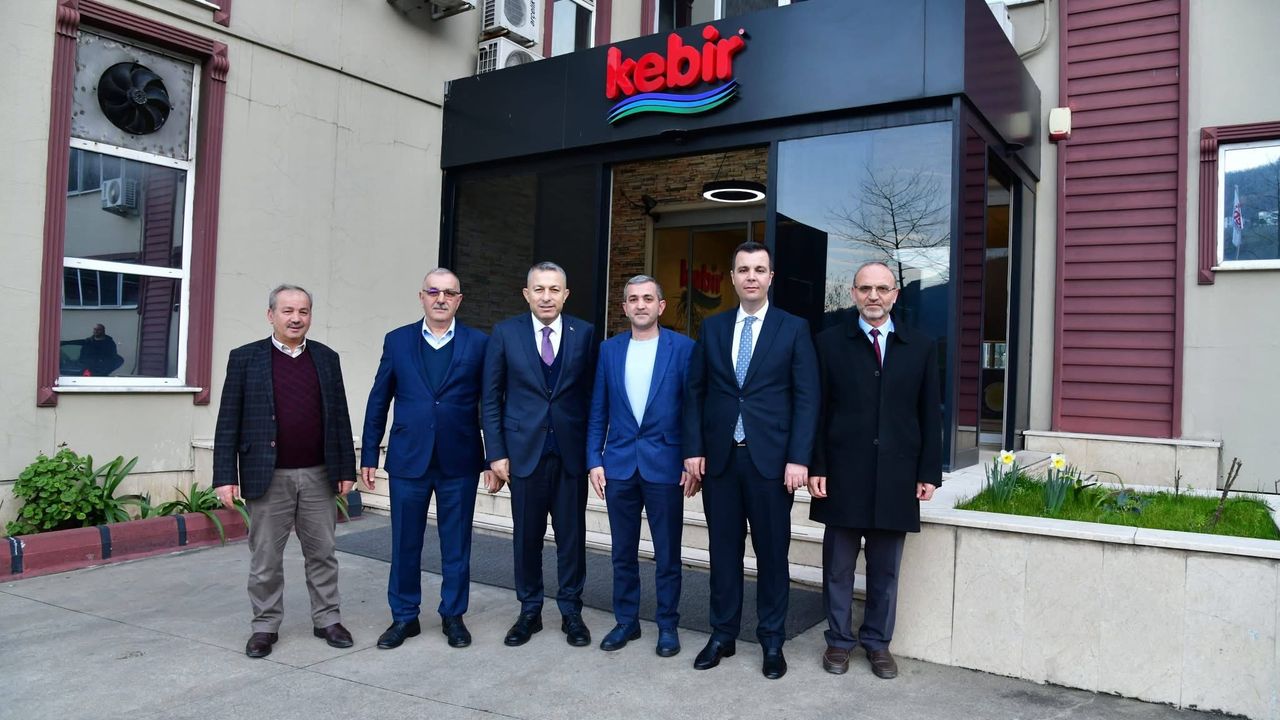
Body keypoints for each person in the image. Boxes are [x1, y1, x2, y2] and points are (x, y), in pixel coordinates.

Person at [682, 241, 819, 680]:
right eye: (744, 270)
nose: (751, 277)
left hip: (772, 464)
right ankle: (722, 634)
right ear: (733, 277)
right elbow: (696, 392)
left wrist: (799, 458)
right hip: (721, 461)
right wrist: (693, 449)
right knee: (723, 553)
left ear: (771, 277)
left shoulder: (793, 328)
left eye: (759, 269)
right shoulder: (714, 327)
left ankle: (772, 640)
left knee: (772, 555)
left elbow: (807, 398)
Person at [807, 261, 942, 679]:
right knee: (838, 569)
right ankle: (838, 642)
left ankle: (878, 644)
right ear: (853, 294)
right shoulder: (828, 344)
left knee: (885, 571)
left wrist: (929, 472)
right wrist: (816, 465)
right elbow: (817, 410)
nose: (873, 296)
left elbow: (929, 414)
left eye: (882, 289)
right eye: (865, 288)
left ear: (895, 295)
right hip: (842, 475)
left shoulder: (920, 346)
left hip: (897, 477)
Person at [213, 284, 357, 659]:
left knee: (323, 554)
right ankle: (265, 626)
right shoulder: (245, 359)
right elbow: (228, 421)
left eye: (303, 311)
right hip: (267, 476)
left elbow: (339, 418)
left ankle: (327, 619)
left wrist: (346, 468)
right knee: (265, 559)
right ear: (271, 315)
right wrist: (225, 476)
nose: (296, 318)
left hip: (319, 475)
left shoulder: (326, 358)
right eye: (288, 311)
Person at [360, 269, 491, 651]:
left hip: (460, 459)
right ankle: (404, 616)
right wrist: (369, 451)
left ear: (459, 300)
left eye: (449, 293)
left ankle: (453, 615)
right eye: (433, 292)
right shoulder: (398, 340)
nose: (441, 298)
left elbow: (491, 403)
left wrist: (493, 458)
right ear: (421, 296)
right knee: (404, 542)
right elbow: (379, 399)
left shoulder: (479, 343)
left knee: (457, 544)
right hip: (408, 459)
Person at [482, 261, 598, 648]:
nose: (546, 296)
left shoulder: (584, 333)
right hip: (523, 455)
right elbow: (491, 398)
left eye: (554, 289)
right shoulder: (505, 333)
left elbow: (592, 398)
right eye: (539, 289)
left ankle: (571, 612)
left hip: (570, 454)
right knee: (526, 538)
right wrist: (495, 453)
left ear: (566, 295)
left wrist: (593, 453)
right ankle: (529, 611)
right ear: (526, 294)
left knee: (572, 539)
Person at [586, 275, 698, 657]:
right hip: (618, 465)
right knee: (622, 552)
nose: (640, 305)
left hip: (666, 465)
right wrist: (594, 459)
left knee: (667, 554)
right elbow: (598, 409)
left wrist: (690, 458)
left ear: (661, 306)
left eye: (648, 298)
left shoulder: (683, 349)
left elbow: (692, 410)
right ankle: (626, 622)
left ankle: (667, 625)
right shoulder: (609, 350)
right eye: (633, 299)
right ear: (624, 307)